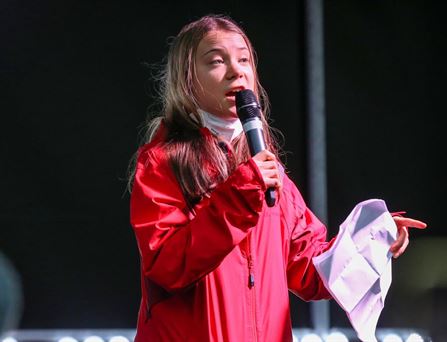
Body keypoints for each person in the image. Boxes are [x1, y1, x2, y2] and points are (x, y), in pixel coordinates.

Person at [129, 14, 427, 342]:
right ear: (186, 79)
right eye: (216, 61)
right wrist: (240, 192)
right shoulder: (162, 163)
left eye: (244, 60)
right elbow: (167, 265)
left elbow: (309, 269)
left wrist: (371, 241)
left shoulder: (267, 172)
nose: (236, 70)